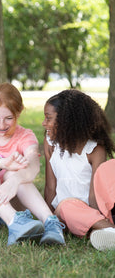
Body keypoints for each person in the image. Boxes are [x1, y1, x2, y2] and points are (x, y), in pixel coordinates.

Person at [0, 83, 65, 246]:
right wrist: (1, 163)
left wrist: (13, 182)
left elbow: (33, 165)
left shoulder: (26, 135)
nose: (1, 125)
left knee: (17, 174)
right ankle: (14, 222)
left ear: (19, 112)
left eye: (8, 118)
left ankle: (51, 223)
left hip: (14, 202)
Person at [42, 89, 115, 251]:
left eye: (48, 118)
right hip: (65, 212)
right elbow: (50, 187)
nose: (44, 123)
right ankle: (107, 228)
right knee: (68, 206)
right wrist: (48, 221)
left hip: (92, 210)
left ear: (67, 121)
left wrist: (95, 216)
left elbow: (94, 195)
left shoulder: (94, 149)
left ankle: (101, 230)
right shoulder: (51, 144)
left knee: (112, 167)